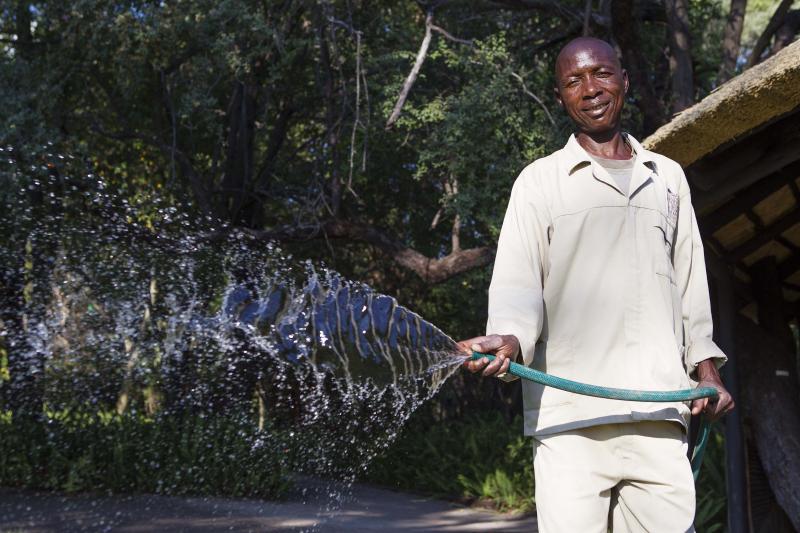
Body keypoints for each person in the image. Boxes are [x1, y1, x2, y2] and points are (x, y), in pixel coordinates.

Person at [459, 37, 735, 532]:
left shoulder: (668, 177)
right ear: (560, 96)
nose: (590, 89)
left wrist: (707, 371)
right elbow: (518, 283)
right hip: (569, 419)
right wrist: (510, 338)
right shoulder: (539, 181)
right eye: (574, 81)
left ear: (624, 81)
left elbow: (690, 285)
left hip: (659, 411)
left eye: (602, 74)